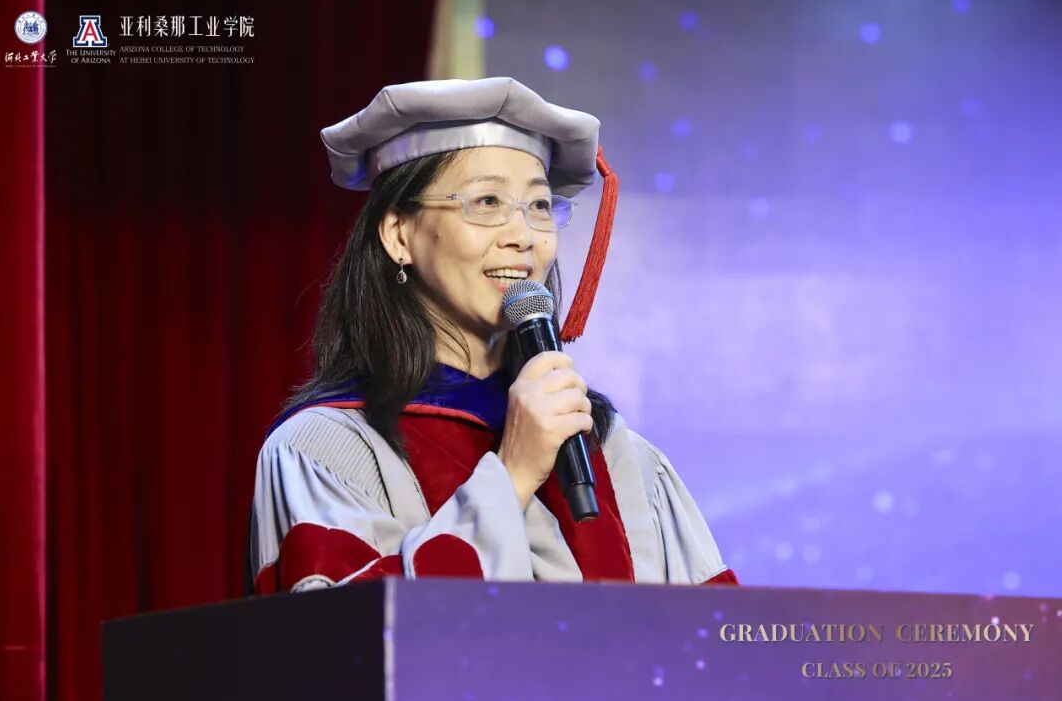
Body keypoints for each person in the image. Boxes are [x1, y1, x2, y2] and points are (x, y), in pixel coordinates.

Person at [247, 77, 738, 594]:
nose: (523, 237)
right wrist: (512, 476)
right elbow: (344, 633)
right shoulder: (327, 448)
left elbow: (715, 632)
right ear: (398, 234)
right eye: (486, 201)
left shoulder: (621, 458)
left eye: (540, 206)